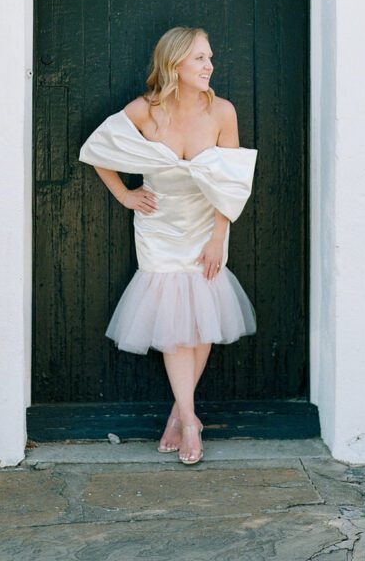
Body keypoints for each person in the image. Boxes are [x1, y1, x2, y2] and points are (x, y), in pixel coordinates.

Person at [78, 26, 257, 465]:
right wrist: (124, 194)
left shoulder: (222, 113)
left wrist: (218, 238)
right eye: (199, 58)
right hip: (158, 226)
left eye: (210, 57)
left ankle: (181, 414)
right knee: (177, 324)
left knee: (202, 317)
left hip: (206, 223)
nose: (209, 66)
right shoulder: (144, 111)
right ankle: (191, 420)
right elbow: (98, 150)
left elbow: (230, 184)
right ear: (174, 61)